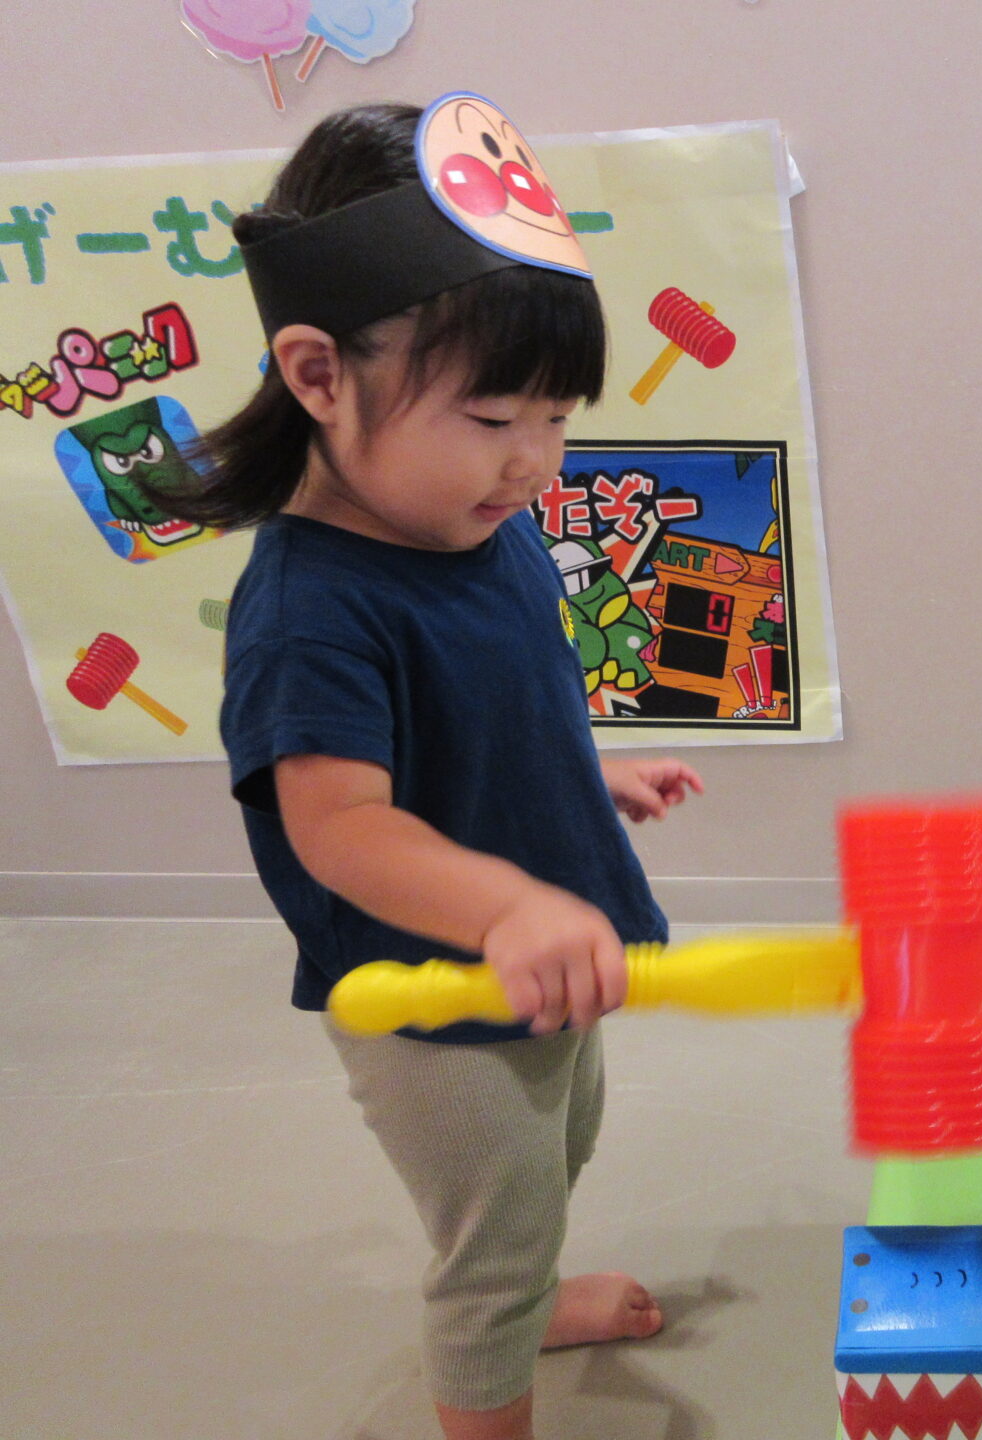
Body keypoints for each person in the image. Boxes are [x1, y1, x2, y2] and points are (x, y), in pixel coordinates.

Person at [156, 97, 702, 1440]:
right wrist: (508, 906)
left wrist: (581, 774)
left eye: (557, 416)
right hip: (432, 995)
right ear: (318, 374)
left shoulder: (477, 522)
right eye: (493, 413)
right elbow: (341, 827)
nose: (534, 461)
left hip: (535, 935)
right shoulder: (310, 611)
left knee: (558, 1147)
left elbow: (498, 697)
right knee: (490, 1242)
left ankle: (536, 1287)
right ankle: (510, 1320)